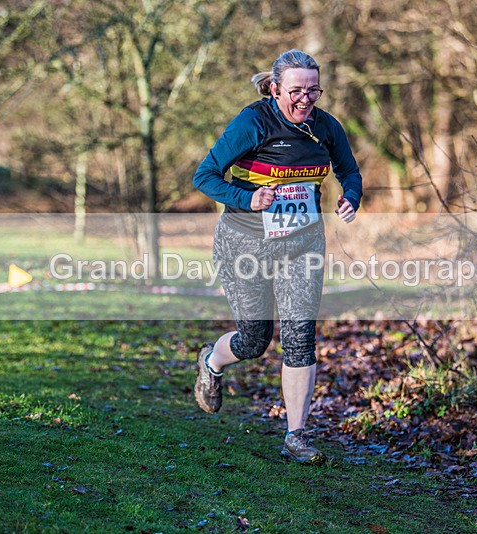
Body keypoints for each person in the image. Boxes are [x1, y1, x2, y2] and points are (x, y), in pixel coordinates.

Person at [191, 49, 362, 464]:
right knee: (255, 340)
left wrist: (351, 197)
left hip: (302, 245)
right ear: (274, 89)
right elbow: (204, 176)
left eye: (313, 90)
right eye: (296, 91)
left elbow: (350, 171)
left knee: (301, 337)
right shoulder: (253, 122)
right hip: (244, 244)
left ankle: (296, 436)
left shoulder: (326, 127)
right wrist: (247, 198)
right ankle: (212, 361)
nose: (305, 99)